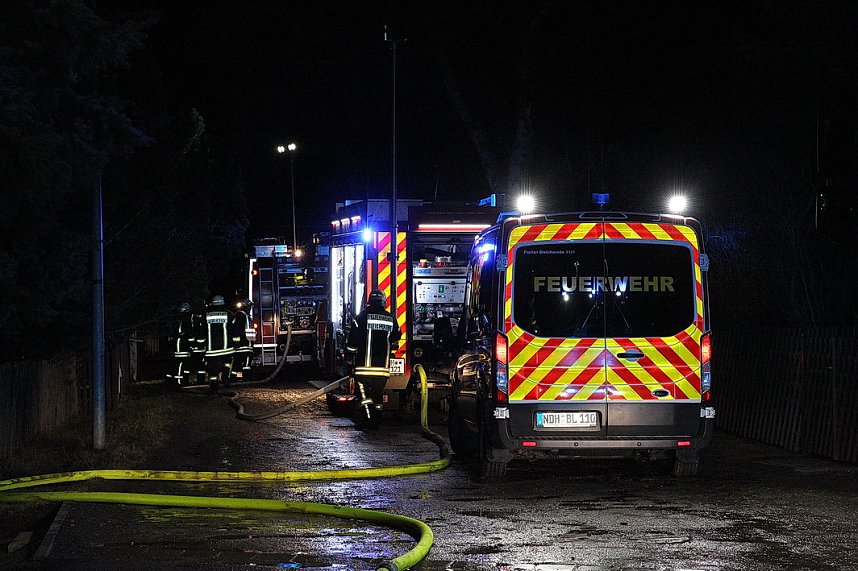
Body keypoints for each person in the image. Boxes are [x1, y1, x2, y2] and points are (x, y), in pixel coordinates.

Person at [345, 289, 401, 429]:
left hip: (363, 368)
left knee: (365, 397)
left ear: (368, 301)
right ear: (384, 302)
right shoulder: (391, 318)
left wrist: (348, 358)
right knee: (377, 396)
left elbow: (352, 342)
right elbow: (396, 336)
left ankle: (368, 420)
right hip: (382, 369)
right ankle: (377, 420)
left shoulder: (360, 318)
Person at [203, 294, 235, 392]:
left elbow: (202, 331)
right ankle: (225, 377)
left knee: (213, 369)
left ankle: (214, 386)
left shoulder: (206, 315)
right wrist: (236, 342)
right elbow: (233, 330)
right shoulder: (229, 314)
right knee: (227, 363)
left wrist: (200, 344)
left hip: (212, 350)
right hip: (226, 348)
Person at [166, 302, 193, 388]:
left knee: (175, 365)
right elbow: (189, 334)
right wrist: (192, 346)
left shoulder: (176, 320)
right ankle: (179, 382)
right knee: (181, 364)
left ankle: (173, 381)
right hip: (182, 347)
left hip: (176, 347)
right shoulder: (187, 320)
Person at [230, 298, 254, 382]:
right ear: (246, 307)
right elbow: (236, 330)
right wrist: (237, 342)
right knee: (238, 362)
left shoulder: (246, 316)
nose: (250, 308)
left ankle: (244, 379)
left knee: (245, 364)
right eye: (249, 307)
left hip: (247, 345)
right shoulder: (240, 315)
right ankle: (233, 379)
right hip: (242, 345)